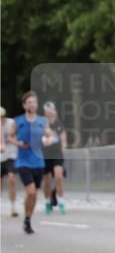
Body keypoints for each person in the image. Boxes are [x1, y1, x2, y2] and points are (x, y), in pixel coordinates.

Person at [9, 92, 49, 234]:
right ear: (24, 105)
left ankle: (27, 218)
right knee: (30, 191)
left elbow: (48, 134)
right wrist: (18, 143)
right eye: (29, 102)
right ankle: (27, 218)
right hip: (23, 161)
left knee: (34, 194)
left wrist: (47, 139)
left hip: (38, 162)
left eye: (34, 102)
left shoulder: (42, 121)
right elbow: (10, 136)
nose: (32, 104)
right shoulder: (18, 121)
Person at [41, 102, 68, 214]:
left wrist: (63, 146)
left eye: (51, 110)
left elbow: (63, 138)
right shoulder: (42, 123)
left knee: (58, 176)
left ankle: (61, 202)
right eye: (47, 110)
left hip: (57, 153)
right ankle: (48, 202)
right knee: (47, 181)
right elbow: (43, 136)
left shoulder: (58, 123)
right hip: (45, 154)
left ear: (54, 110)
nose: (49, 112)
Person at [1, 107, 18, 217]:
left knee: (12, 178)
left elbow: (17, 137)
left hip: (11, 155)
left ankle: (13, 207)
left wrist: (9, 139)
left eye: (2, 117)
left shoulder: (11, 123)